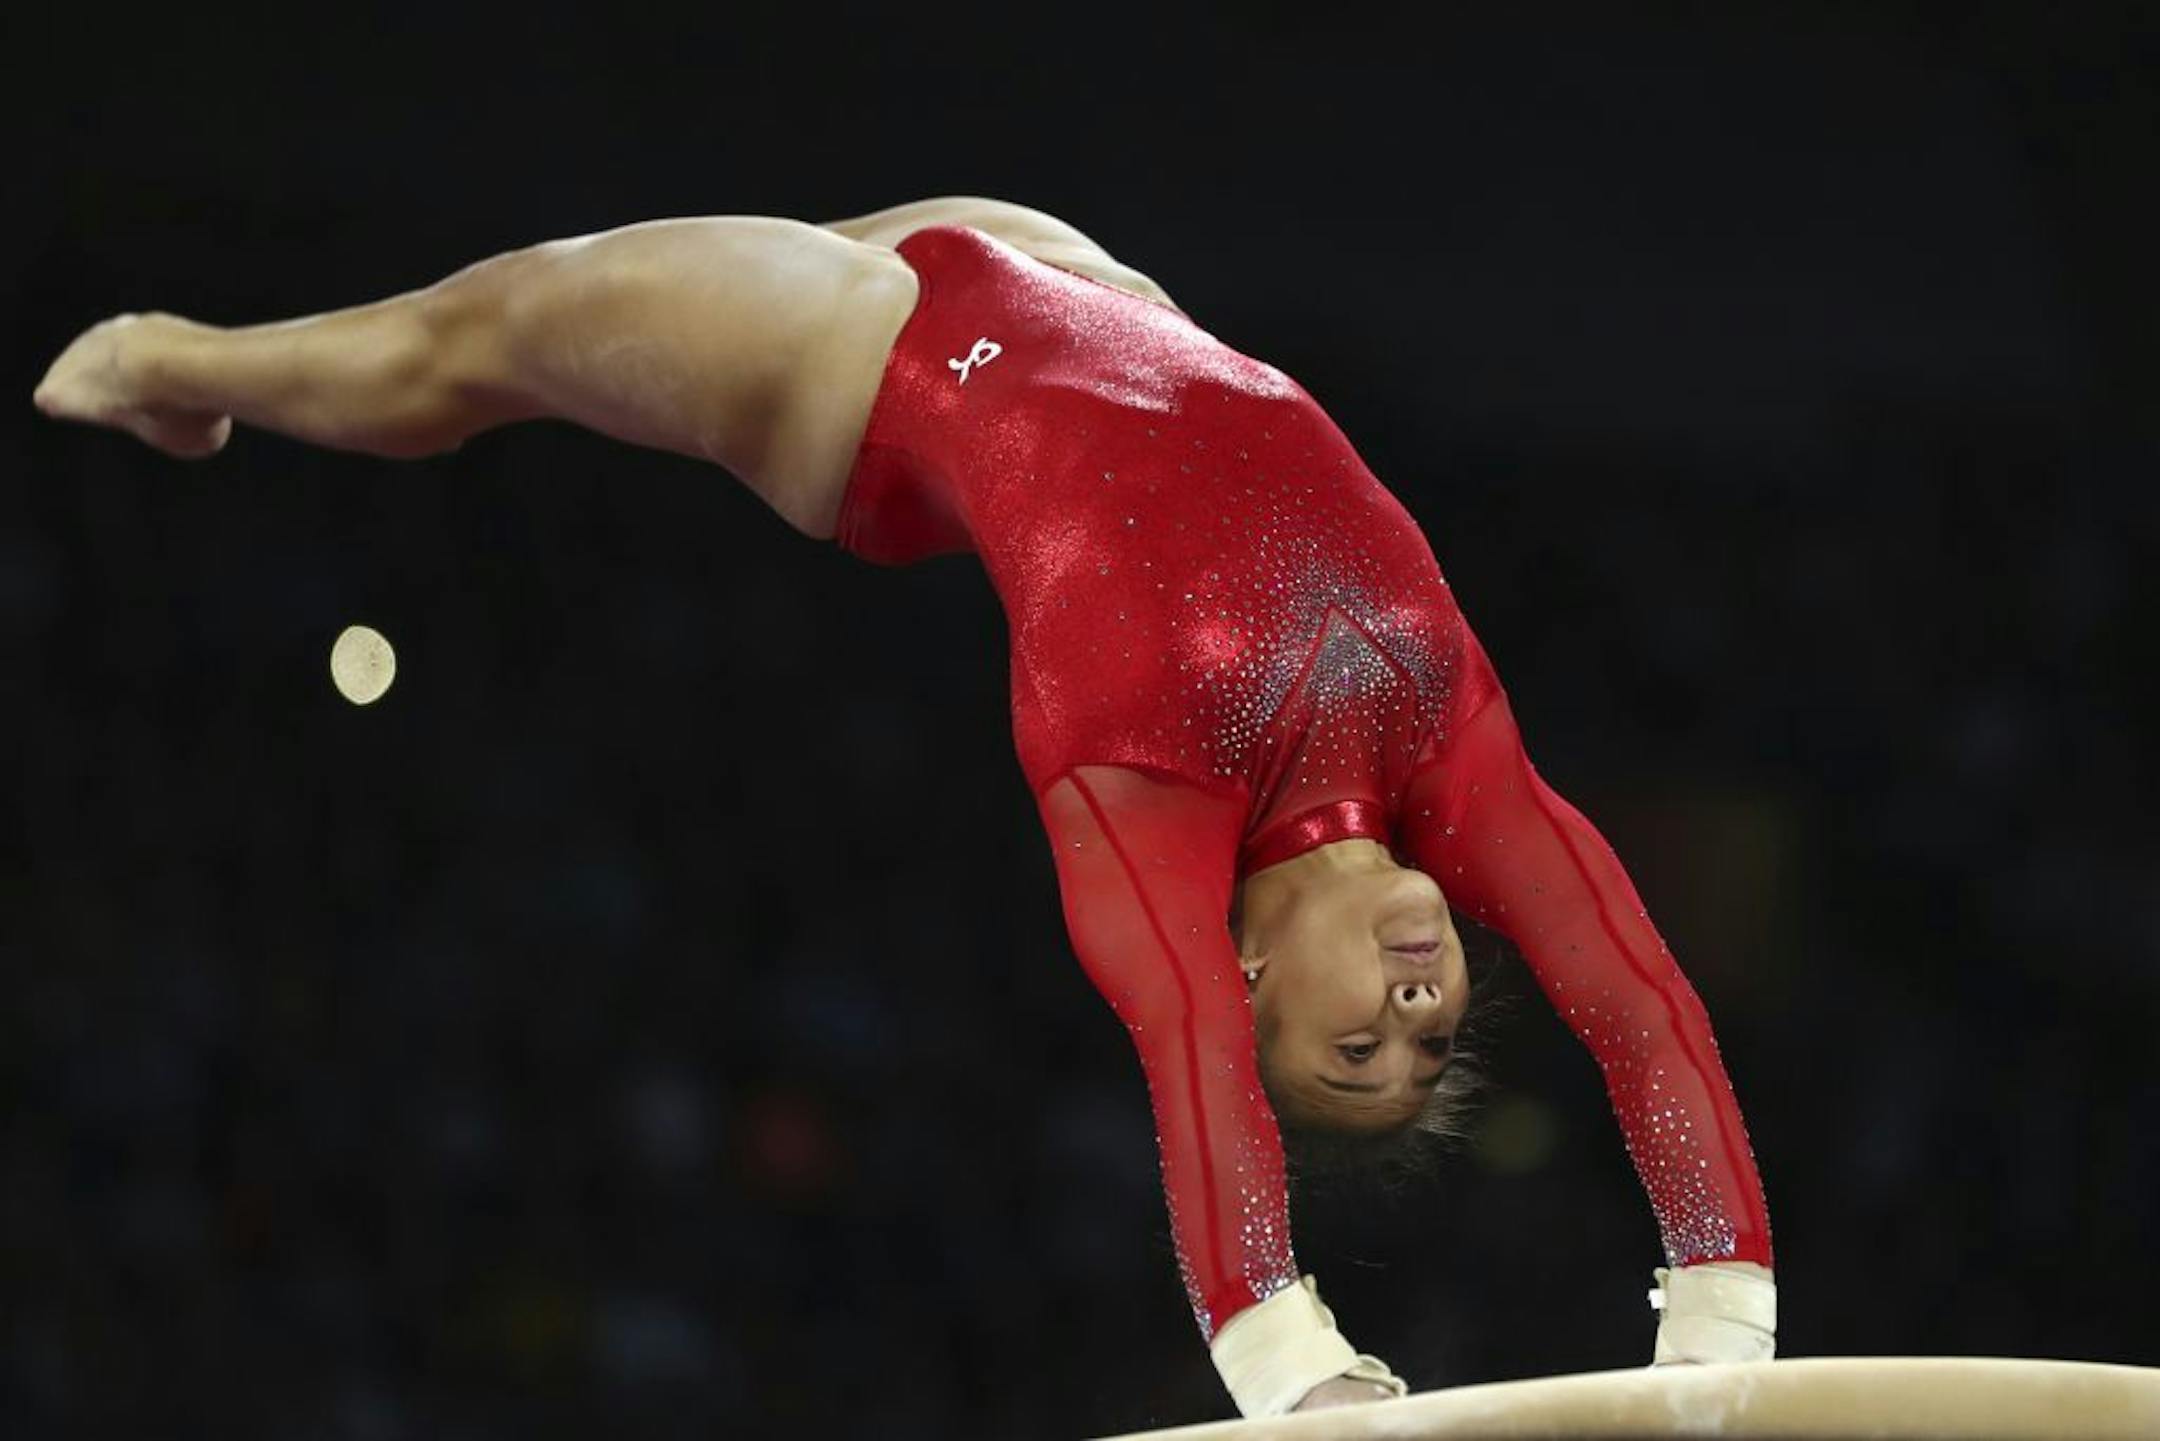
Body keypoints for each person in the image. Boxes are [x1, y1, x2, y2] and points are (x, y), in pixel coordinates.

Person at [33, 195, 1777, 1418]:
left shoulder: (1143, 803)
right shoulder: (1449, 763)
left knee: (480, 334)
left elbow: (1180, 1063)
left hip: (873, 372)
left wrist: (1290, 1361)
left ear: (1256, 986)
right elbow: (1635, 996)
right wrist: (1721, 1316)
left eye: (1353, 1060)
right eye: (1428, 1041)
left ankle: (182, 365)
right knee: (572, 301)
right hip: (1092, 289)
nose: (1409, 1021)